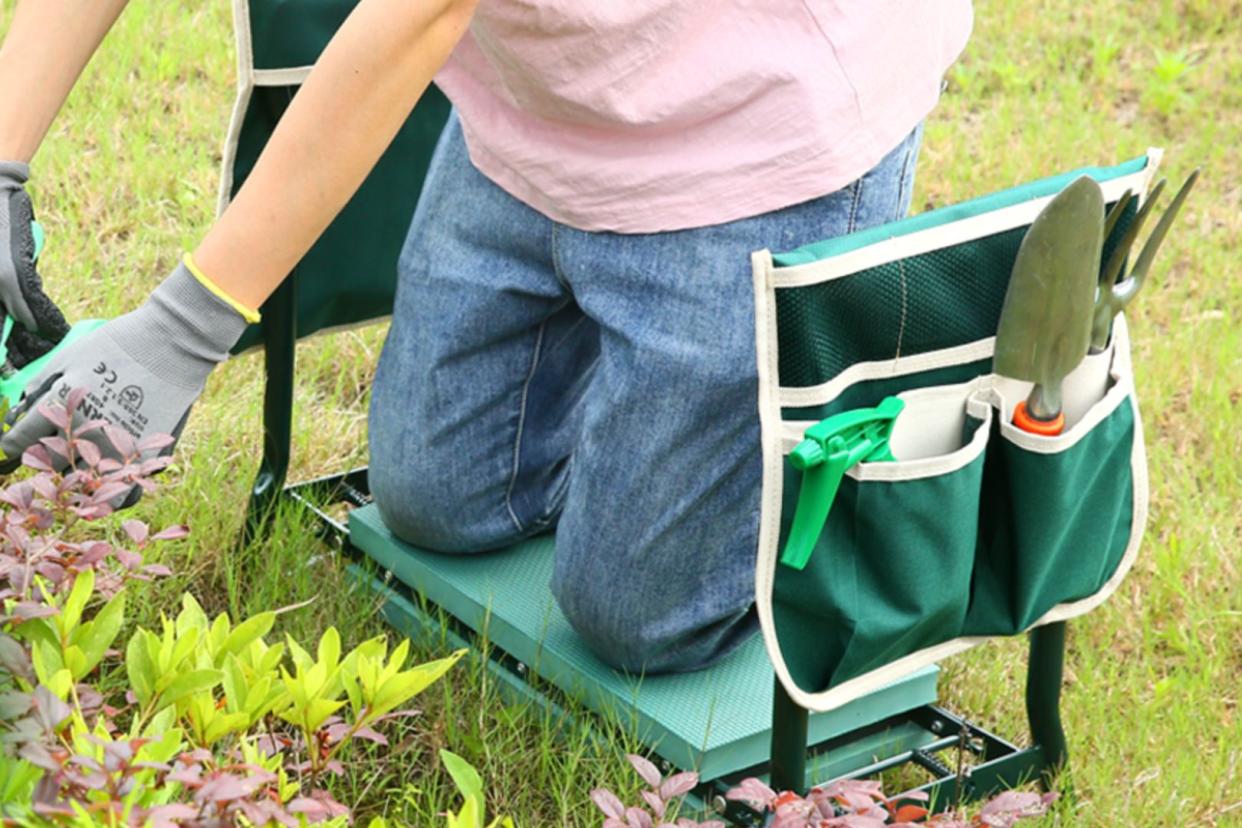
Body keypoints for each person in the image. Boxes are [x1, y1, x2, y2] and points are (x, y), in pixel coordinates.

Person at [0, 1, 972, 673]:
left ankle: (803, 417)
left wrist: (181, 333)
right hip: (531, 115)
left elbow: (414, 14)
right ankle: (668, 402)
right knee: (435, 504)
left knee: (637, 622)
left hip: (752, 134)